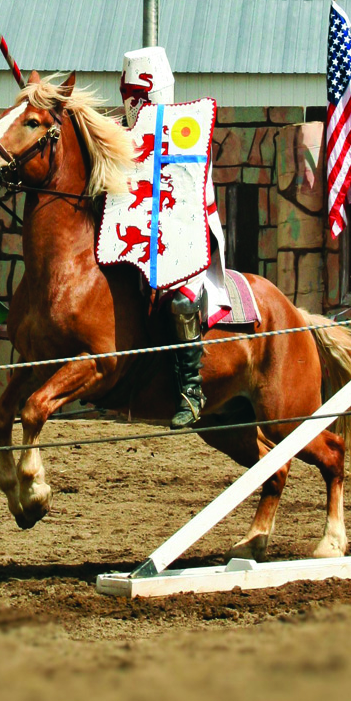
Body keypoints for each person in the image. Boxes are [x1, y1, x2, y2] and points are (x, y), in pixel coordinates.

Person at [119, 47, 230, 429]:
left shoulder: (188, 132)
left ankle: (191, 390)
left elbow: (188, 194)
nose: (131, 103)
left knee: (181, 301)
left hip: (185, 236)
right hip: (138, 241)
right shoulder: (122, 132)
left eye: (137, 95)